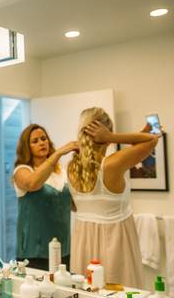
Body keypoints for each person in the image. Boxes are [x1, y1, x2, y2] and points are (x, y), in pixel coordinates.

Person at [67, 107, 159, 288]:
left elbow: (75, 206)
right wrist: (112, 136)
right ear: (104, 134)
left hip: (83, 240)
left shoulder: (72, 166)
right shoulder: (112, 164)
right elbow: (152, 139)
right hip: (115, 243)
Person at [12, 124, 78, 271]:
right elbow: (32, 183)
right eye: (35, 141)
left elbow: (74, 206)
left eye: (44, 139)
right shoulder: (22, 170)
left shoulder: (61, 172)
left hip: (63, 249)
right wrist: (58, 153)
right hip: (34, 252)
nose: (41, 143)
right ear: (26, 148)